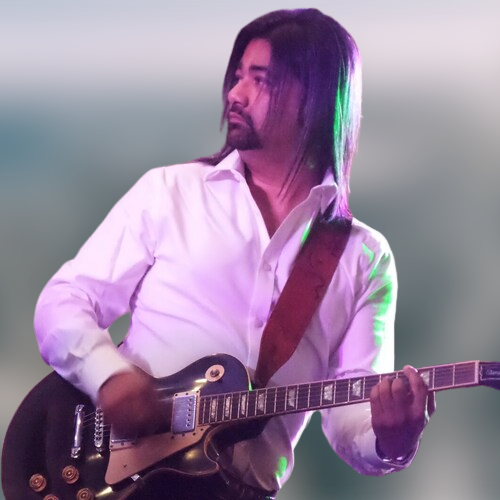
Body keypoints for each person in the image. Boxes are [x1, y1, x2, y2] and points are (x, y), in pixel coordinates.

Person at [34, 8, 434, 500]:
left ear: (315, 96)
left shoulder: (363, 258)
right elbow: (63, 301)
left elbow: (352, 418)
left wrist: (392, 440)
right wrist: (109, 377)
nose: (235, 95)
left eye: (260, 80)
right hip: (119, 480)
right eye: (237, 76)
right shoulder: (171, 192)